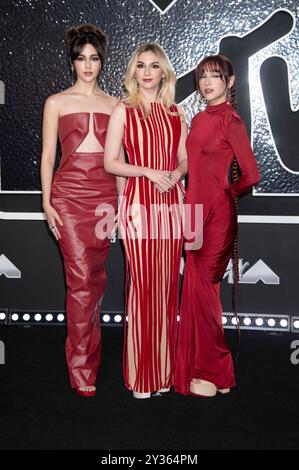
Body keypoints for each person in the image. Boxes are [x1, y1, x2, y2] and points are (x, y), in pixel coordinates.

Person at [40, 24, 124, 397]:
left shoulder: (115, 104)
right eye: (80, 58)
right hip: (69, 199)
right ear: (72, 61)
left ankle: (90, 356)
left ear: (101, 61)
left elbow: (119, 158)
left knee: (97, 282)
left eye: (93, 58)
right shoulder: (56, 102)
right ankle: (80, 367)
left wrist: (121, 204)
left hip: (105, 198)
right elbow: (46, 157)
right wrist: (46, 202)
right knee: (79, 284)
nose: (87, 66)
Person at [104, 43, 187, 398]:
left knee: (167, 289)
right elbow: (111, 162)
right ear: (133, 72)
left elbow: (185, 160)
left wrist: (176, 173)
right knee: (142, 288)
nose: (148, 72)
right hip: (138, 203)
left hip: (172, 204)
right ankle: (141, 376)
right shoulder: (122, 110)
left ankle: (164, 373)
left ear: (164, 72)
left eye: (155, 66)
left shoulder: (177, 112)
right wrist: (150, 172)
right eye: (141, 66)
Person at [174, 54, 260, 397]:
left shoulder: (231, 122)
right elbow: (191, 165)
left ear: (230, 82)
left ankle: (211, 369)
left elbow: (251, 174)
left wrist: (227, 193)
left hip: (217, 217)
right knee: (194, 293)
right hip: (193, 213)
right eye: (202, 77)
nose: (207, 83)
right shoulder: (197, 118)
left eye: (214, 76)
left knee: (206, 293)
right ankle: (218, 373)